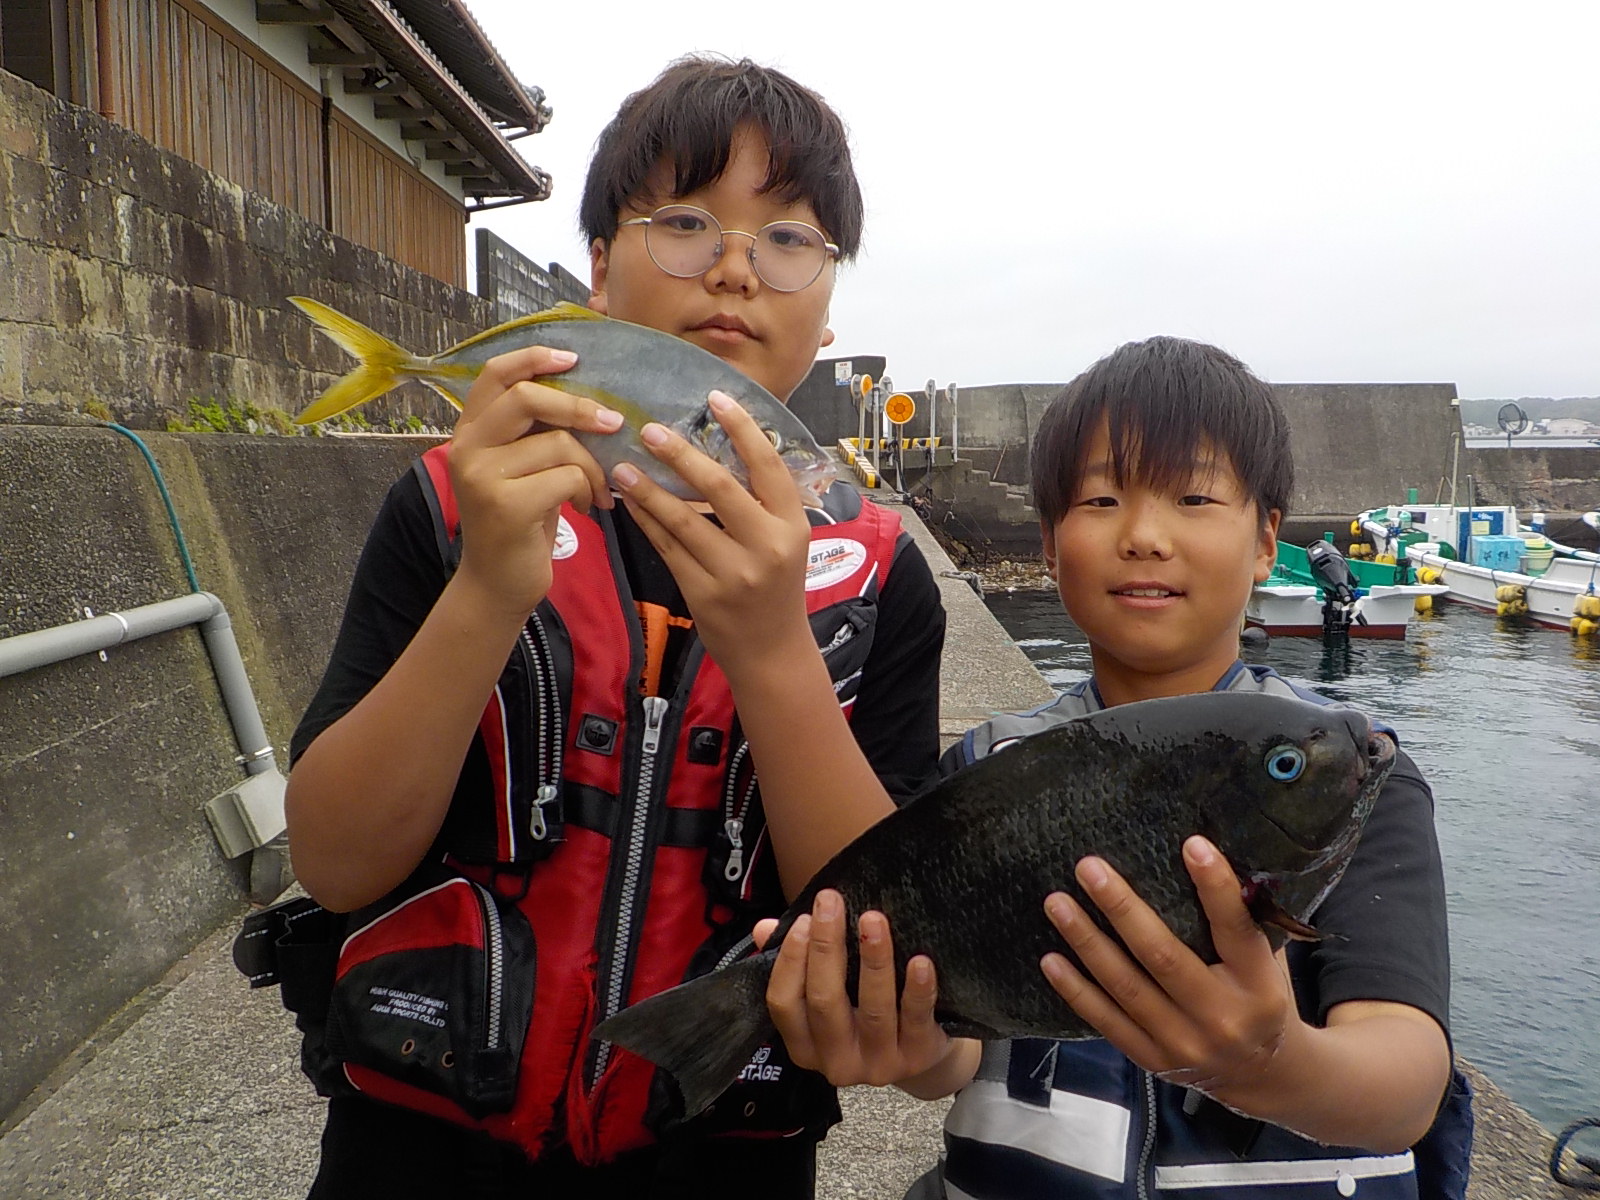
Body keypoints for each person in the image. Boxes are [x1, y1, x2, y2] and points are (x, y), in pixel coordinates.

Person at [279, 56, 945, 1199]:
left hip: (723, 1162)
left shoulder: (881, 579)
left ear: (827, 307)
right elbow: (336, 862)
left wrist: (777, 652)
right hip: (415, 1159)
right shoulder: (452, 510)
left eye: (789, 241)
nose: (735, 266)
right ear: (596, 269)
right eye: (684, 223)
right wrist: (490, 585)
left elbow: (883, 935)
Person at [760, 336, 1473, 1199]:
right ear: (1052, 545)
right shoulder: (990, 771)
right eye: (1101, 498)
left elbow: (1404, 1085)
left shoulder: (1348, 778)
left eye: (1195, 497)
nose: (1143, 535)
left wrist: (1271, 1061)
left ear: (1265, 541)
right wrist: (907, 1039)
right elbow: (952, 1052)